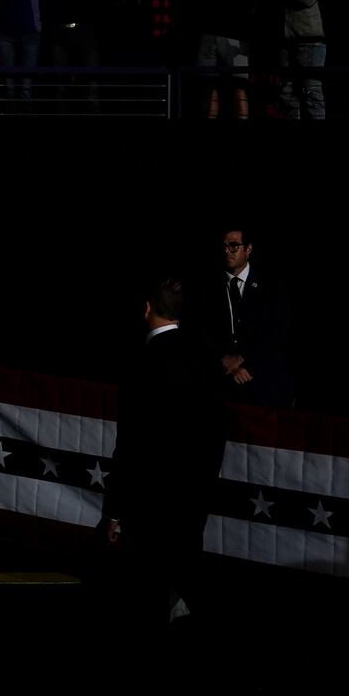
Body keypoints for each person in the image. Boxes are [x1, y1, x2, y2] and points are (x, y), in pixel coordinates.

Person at [101, 277, 226, 671]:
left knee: (147, 592)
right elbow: (216, 431)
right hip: (193, 493)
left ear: (147, 309)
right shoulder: (205, 358)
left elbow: (131, 443)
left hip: (148, 501)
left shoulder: (141, 363)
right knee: (188, 574)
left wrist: (115, 510)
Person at [198, 227, 295, 408]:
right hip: (223, 386)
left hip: (265, 386)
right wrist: (226, 362)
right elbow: (203, 332)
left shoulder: (271, 285)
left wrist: (243, 360)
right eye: (224, 246)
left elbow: (278, 331)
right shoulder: (207, 288)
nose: (227, 250)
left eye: (234, 245)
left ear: (248, 249)